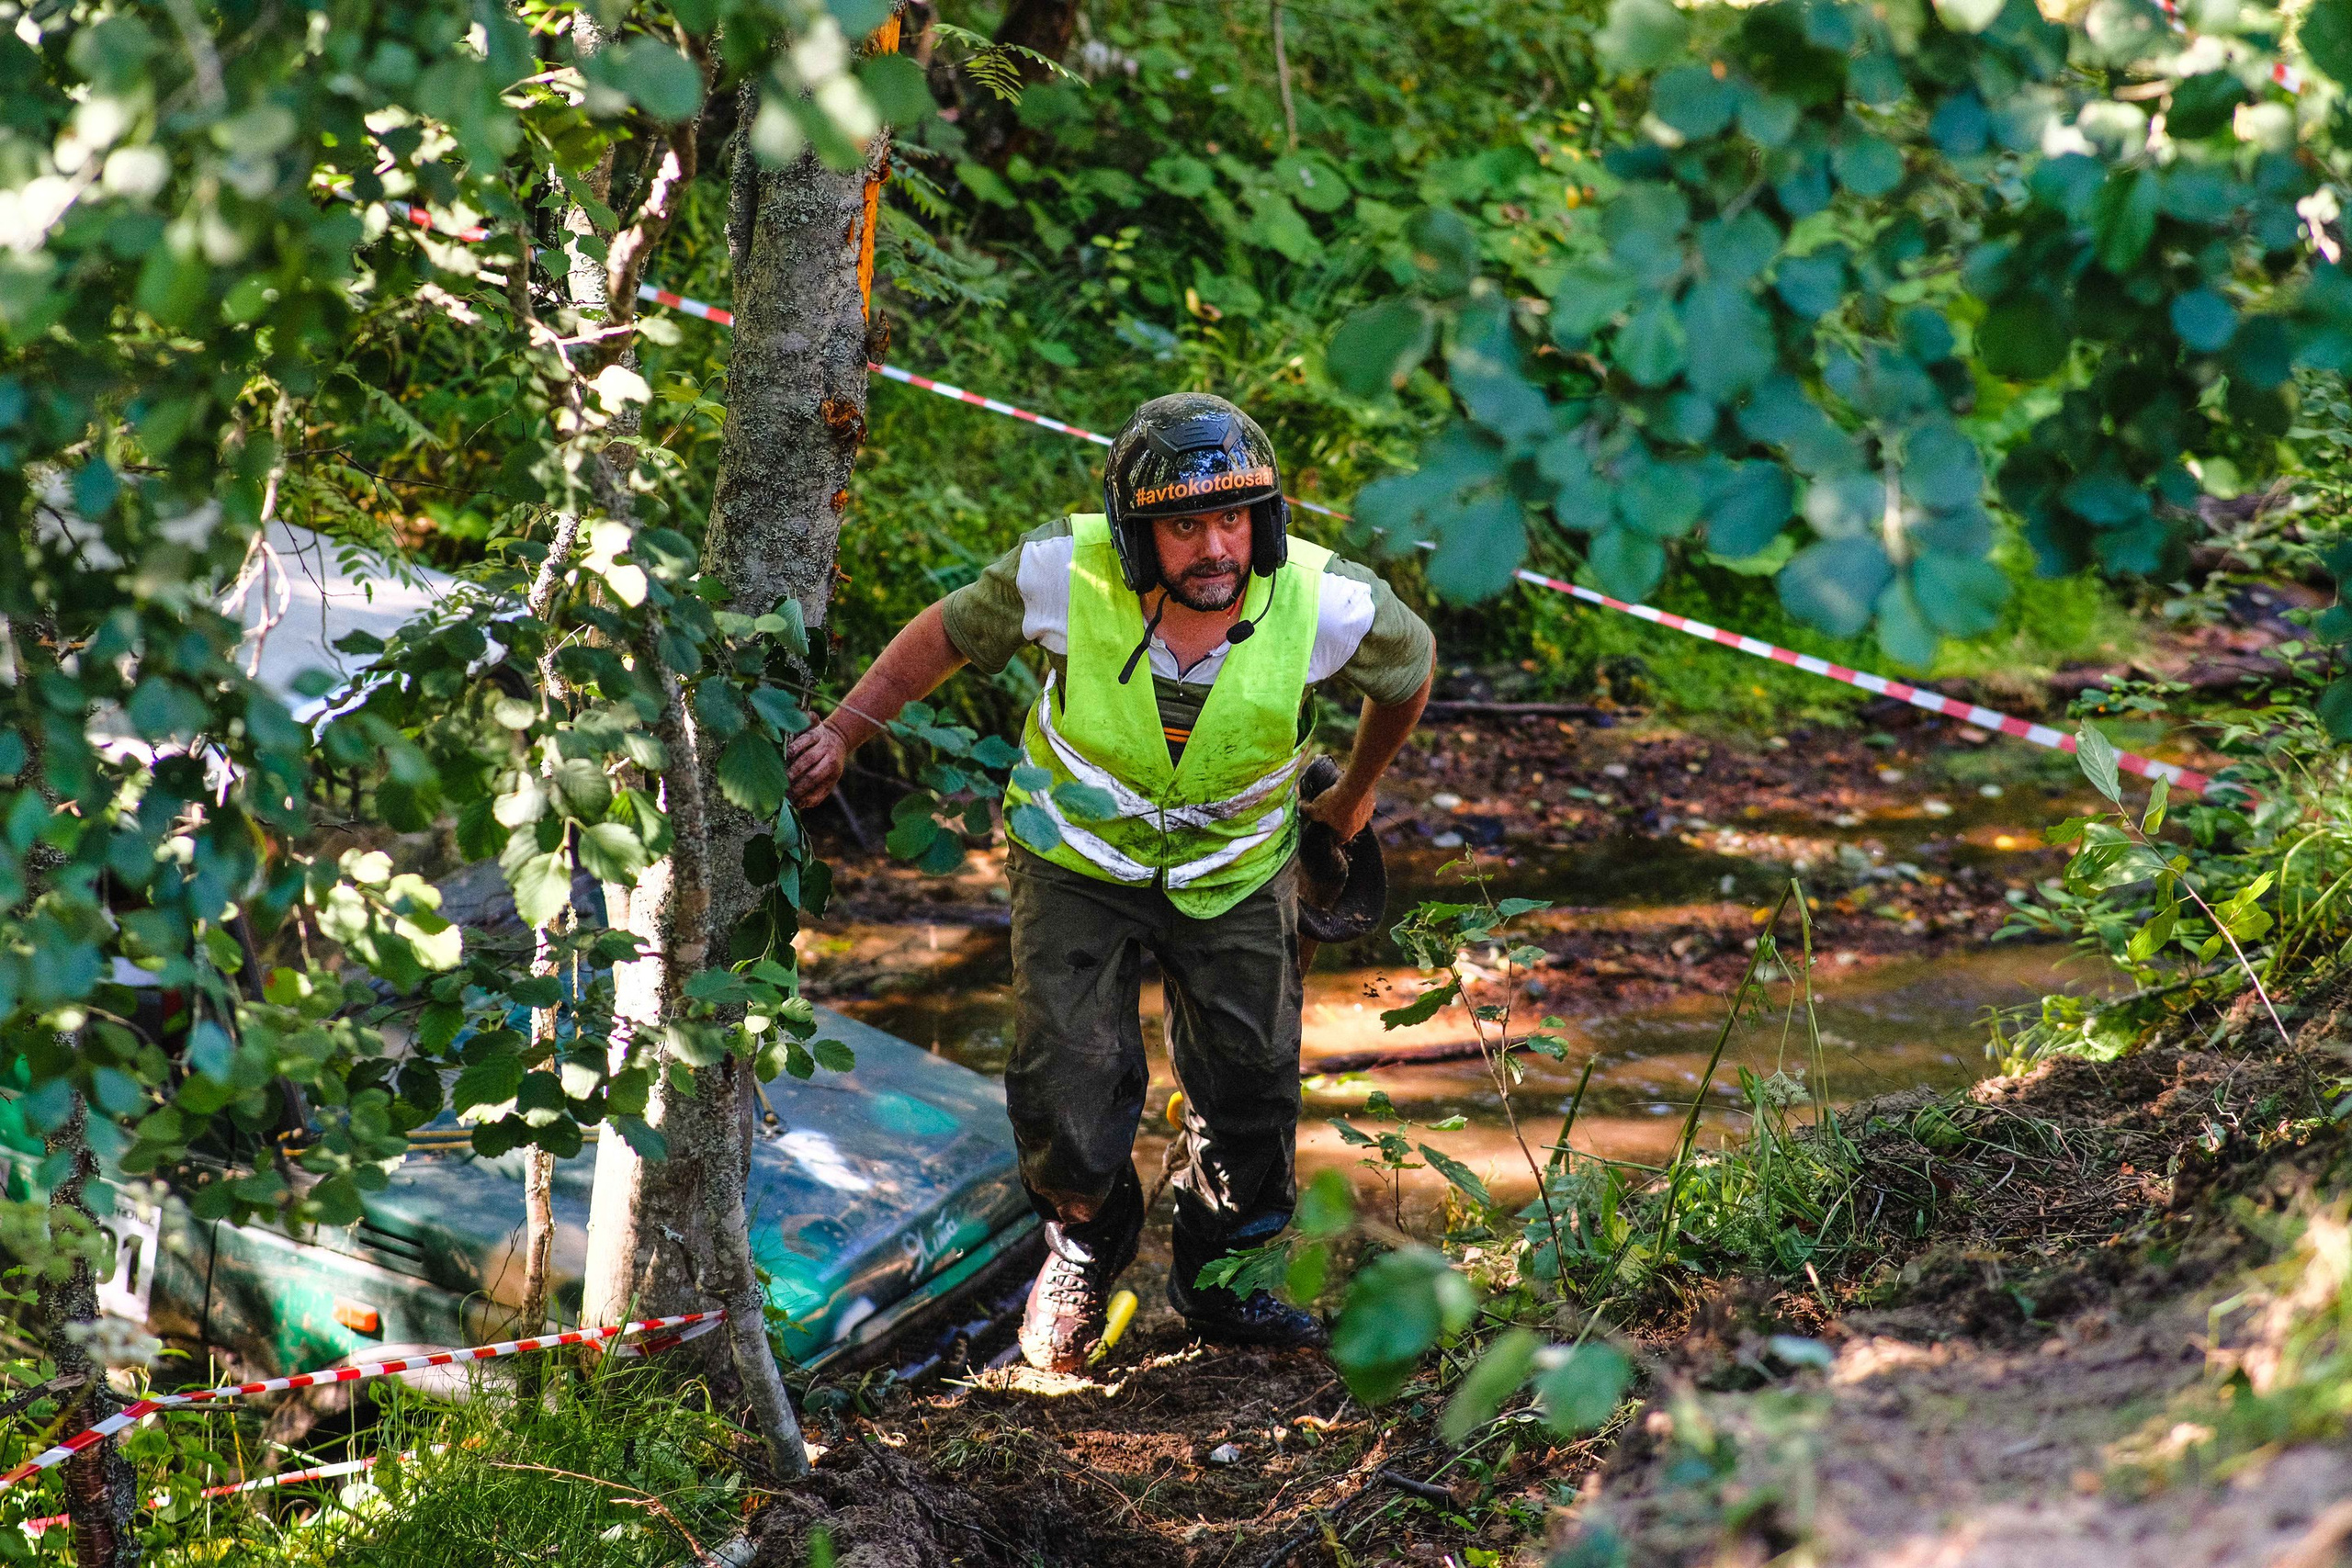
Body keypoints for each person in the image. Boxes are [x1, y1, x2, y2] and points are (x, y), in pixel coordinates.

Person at [785, 393, 1434, 1372]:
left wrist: (1349, 799)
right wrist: (842, 730)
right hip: (1074, 857)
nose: (1215, 547)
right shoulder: (1060, 571)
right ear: (1137, 537)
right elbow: (947, 634)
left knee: (1252, 1077)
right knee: (1063, 1074)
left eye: (1233, 519)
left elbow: (1409, 672)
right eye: (1184, 527)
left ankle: (1224, 1279)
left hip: (1238, 865)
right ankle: (1086, 1246)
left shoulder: (1329, 601)